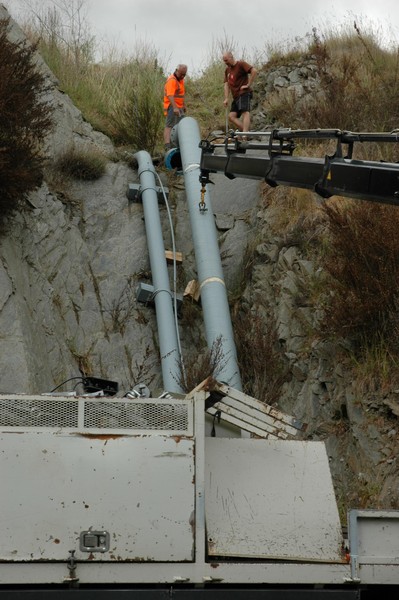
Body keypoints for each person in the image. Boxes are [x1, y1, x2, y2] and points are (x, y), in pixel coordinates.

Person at [223, 51, 257, 135]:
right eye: (224, 61)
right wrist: (226, 98)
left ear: (231, 57)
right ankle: (246, 132)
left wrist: (248, 84)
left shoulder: (241, 64)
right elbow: (226, 84)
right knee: (231, 116)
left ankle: (245, 135)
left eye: (226, 60)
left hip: (244, 93)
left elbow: (254, 71)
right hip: (236, 96)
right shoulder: (227, 70)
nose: (225, 63)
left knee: (245, 112)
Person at [163, 64, 187, 150]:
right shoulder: (172, 80)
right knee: (169, 125)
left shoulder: (181, 80)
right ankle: (167, 145)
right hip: (172, 106)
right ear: (176, 71)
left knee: (180, 125)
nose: (183, 76)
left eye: (184, 74)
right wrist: (175, 108)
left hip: (179, 106)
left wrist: (183, 105)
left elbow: (181, 94)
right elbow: (170, 95)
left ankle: (177, 144)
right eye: (181, 74)